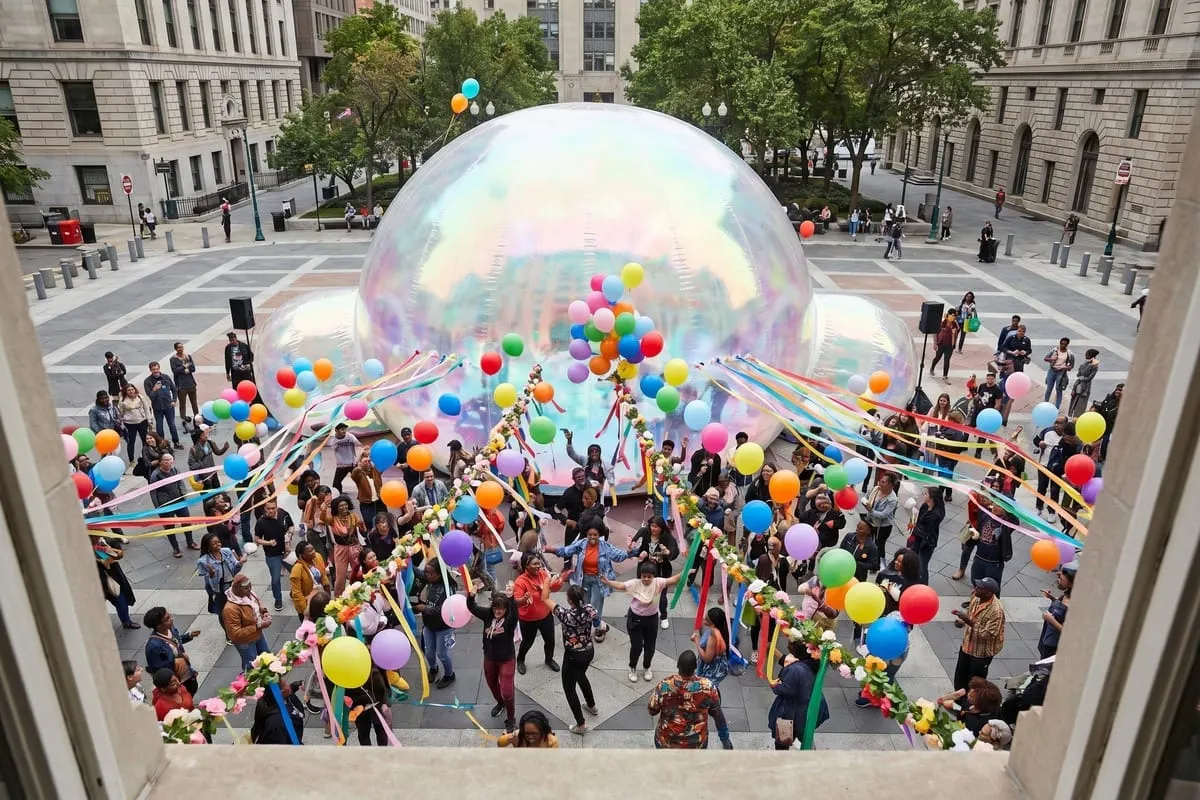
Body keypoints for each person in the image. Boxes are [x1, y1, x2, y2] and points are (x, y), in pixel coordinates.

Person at [549, 521, 632, 642]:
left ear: (600, 535)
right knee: (584, 604)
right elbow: (567, 551)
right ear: (586, 534)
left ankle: (599, 627)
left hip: (599, 580)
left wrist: (631, 553)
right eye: (589, 534)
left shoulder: (605, 547)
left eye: (595, 535)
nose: (592, 537)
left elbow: (619, 556)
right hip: (584, 579)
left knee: (595, 606)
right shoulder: (581, 544)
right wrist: (552, 550)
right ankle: (594, 625)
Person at [602, 560, 684, 682]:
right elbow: (622, 585)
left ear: (653, 576)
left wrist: (686, 571)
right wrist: (608, 582)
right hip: (635, 619)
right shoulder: (635, 583)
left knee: (650, 647)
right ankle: (632, 666)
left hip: (652, 619)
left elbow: (673, 580)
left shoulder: (658, 582)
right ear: (640, 576)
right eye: (643, 576)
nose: (646, 579)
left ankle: (647, 667)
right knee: (637, 646)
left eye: (649, 577)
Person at [546, 584, 599, 734]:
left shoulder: (566, 615)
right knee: (581, 676)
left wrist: (547, 581)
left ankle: (581, 724)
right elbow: (597, 621)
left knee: (569, 688)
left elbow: (545, 598)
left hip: (573, 656)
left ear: (569, 600)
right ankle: (591, 705)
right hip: (589, 651)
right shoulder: (590, 609)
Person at [467, 590, 519, 733]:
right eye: (495, 608)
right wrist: (471, 596)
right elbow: (472, 608)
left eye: (501, 608)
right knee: (492, 685)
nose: (498, 611)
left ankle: (511, 719)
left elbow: (515, 614)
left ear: (506, 609)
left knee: (507, 692)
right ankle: (500, 703)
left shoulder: (509, 620)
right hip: (490, 657)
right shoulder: (488, 614)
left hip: (506, 659)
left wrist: (512, 598)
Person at [648, 651, 721, 749]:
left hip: (666, 742)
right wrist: (725, 737)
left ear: (678, 665)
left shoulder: (665, 686)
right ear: (695, 667)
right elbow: (716, 711)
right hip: (696, 744)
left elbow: (652, 710)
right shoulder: (708, 687)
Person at [768, 638, 830, 749]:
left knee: (782, 744)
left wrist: (775, 686)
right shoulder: (815, 662)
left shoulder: (794, 670)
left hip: (789, 713)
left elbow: (785, 689)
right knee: (806, 737)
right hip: (808, 711)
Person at [512, 552, 565, 675]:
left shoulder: (543, 574)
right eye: (534, 564)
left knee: (550, 640)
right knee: (527, 642)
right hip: (528, 619)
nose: (538, 566)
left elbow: (551, 588)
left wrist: (558, 581)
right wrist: (525, 598)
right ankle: (520, 660)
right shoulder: (521, 581)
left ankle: (549, 660)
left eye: (539, 563)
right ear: (526, 566)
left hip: (545, 616)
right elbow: (517, 602)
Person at [951, 577, 1006, 690]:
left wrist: (968, 621)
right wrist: (962, 622)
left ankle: (972, 703)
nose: (975, 588)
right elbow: (970, 613)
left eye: (980, 587)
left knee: (976, 682)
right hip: (967, 646)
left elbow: (988, 634)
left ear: (988, 592)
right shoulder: (975, 597)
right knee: (960, 675)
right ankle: (959, 699)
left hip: (981, 653)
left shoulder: (996, 611)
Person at [412, 557, 458, 689]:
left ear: (439, 574)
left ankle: (450, 674)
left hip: (443, 628)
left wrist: (424, 608)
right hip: (428, 625)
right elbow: (418, 573)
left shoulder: (447, 589)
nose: (427, 575)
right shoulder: (429, 579)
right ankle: (433, 668)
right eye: (426, 573)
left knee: (442, 654)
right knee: (428, 652)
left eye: (430, 573)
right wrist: (407, 561)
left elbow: (441, 610)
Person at [693, 607, 734, 749]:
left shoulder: (712, 636)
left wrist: (697, 642)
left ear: (712, 623)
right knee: (716, 709)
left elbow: (707, 658)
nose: (703, 619)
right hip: (712, 673)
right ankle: (725, 738)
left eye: (706, 619)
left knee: (706, 707)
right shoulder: (719, 631)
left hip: (709, 673)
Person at [630, 517, 680, 620]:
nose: (653, 529)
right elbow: (635, 545)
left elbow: (674, 551)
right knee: (643, 591)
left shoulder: (667, 537)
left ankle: (663, 616)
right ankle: (641, 611)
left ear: (661, 528)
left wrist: (668, 552)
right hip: (645, 569)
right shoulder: (644, 532)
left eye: (656, 526)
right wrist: (637, 552)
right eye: (652, 526)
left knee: (661, 594)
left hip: (661, 570)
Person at [143, 606, 199, 695]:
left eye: (170, 616)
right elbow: (159, 670)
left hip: (186, 672)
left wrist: (188, 636)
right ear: (159, 625)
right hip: (176, 679)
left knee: (192, 690)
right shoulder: (153, 647)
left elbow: (176, 640)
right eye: (167, 619)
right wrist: (178, 659)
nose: (172, 619)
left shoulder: (170, 629)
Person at [222, 573, 272, 671]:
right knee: (251, 665)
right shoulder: (230, 609)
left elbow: (257, 604)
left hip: (257, 634)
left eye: (250, 587)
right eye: (245, 588)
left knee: (267, 657)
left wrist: (264, 612)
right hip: (245, 642)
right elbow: (235, 633)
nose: (249, 590)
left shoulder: (249, 594)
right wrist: (258, 626)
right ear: (237, 589)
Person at [197, 532, 245, 631]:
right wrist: (211, 574)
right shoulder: (203, 561)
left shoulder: (226, 551)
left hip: (233, 585)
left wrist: (240, 563)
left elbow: (235, 570)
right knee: (223, 613)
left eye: (218, 542)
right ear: (208, 546)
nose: (218, 545)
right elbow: (210, 583)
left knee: (238, 607)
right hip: (219, 590)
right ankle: (228, 633)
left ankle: (239, 627)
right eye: (214, 543)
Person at [255, 498, 296, 611]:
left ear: (277, 507)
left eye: (273, 508)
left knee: (297, 572)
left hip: (287, 552)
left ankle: (295, 592)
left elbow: (291, 526)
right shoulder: (261, 521)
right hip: (272, 554)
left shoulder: (283, 514)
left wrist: (289, 534)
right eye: (268, 509)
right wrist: (268, 543)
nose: (271, 511)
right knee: (275, 579)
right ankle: (278, 599)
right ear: (265, 509)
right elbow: (257, 539)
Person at [321, 495, 364, 595]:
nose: (344, 507)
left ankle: (359, 593)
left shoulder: (353, 516)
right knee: (340, 576)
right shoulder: (333, 519)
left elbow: (362, 529)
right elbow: (323, 518)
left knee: (357, 572)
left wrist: (361, 526)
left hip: (354, 548)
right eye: (341, 506)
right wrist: (324, 508)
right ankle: (338, 598)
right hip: (341, 549)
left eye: (345, 505)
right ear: (336, 508)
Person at [95, 536, 139, 629]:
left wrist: (104, 548)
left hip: (112, 578)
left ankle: (126, 621)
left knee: (121, 601)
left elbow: (116, 556)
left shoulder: (103, 542)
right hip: (94, 581)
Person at [938, 677, 1004, 735]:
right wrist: (952, 696)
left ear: (979, 702)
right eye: (969, 691)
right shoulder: (971, 704)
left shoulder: (973, 725)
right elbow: (950, 704)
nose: (968, 695)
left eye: (971, 696)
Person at [1038, 561, 1075, 659]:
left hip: (1053, 646)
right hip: (1047, 638)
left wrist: (1051, 620)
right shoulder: (1066, 595)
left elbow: (1069, 632)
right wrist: (1052, 598)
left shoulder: (1073, 605)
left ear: (1071, 583)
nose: (1058, 574)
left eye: (1062, 575)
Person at [908, 487, 945, 585]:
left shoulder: (935, 514)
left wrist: (915, 528)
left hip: (927, 542)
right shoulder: (925, 506)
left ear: (932, 497)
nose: (924, 495)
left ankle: (923, 585)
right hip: (918, 538)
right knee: (915, 560)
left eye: (926, 494)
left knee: (922, 564)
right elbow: (919, 521)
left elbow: (926, 531)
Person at [143, 361, 182, 449]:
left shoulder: (166, 377)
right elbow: (150, 396)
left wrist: (174, 400)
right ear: (150, 370)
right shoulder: (147, 381)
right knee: (159, 427)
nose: (156, 371)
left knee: (172, 425)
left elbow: (174, 389)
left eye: (157, 369)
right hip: (157, 408)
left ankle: (176, 442)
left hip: (168, 406)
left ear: (159, 368)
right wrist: (155, 389)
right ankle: (162, 443)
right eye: (153, 369)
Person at [289, 540, 330, 621]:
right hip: (308, 602)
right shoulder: (297, 569)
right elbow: (296, 593)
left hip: (321, 598)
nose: (314, 552)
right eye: (310, 551)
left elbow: (324, 575)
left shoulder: (317, 557)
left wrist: (327, 592)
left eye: (313, 549)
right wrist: (305, 610)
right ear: (301, 555)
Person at [169, 342, 199, 427]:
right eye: (178, 347)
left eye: (182, 347)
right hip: (181, 385)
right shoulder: (173, 359)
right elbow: (175, 371)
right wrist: (185, 366)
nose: (180, 349)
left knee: (194, 403)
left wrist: (185, 369)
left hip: (191, 383)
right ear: (175, 349)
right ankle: (183, 419)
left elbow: (193, 368)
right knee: (182, 403)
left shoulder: (188, 356)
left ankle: (197, 418)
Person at [930, 310, 960, 383]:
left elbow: (958, 331)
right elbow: (935, 333)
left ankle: (945, 376)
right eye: (952, 315)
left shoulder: (954, 324)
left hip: (950, 345)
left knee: (947, 360)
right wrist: (935, 343)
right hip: (941, 344)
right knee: (938, 357)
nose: (953, 317)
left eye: (955, 316)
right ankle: (932, 367)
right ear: (948, 315)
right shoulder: (942, 323)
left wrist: (956, 323)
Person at [1069, 349, 1100, 417]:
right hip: (1078, 385)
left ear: (1092, 356)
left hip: (1085, 388)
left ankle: (1077, 418)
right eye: (1086, 354)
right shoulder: (1085, 363)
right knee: (1073, 403)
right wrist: (1074, 389)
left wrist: (1081, 377)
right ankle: (1073, 417)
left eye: (1088, 355)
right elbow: (1078, 374)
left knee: (1080, 406)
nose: (1086, 356)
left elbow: (1089, 378)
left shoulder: (1094, 366)